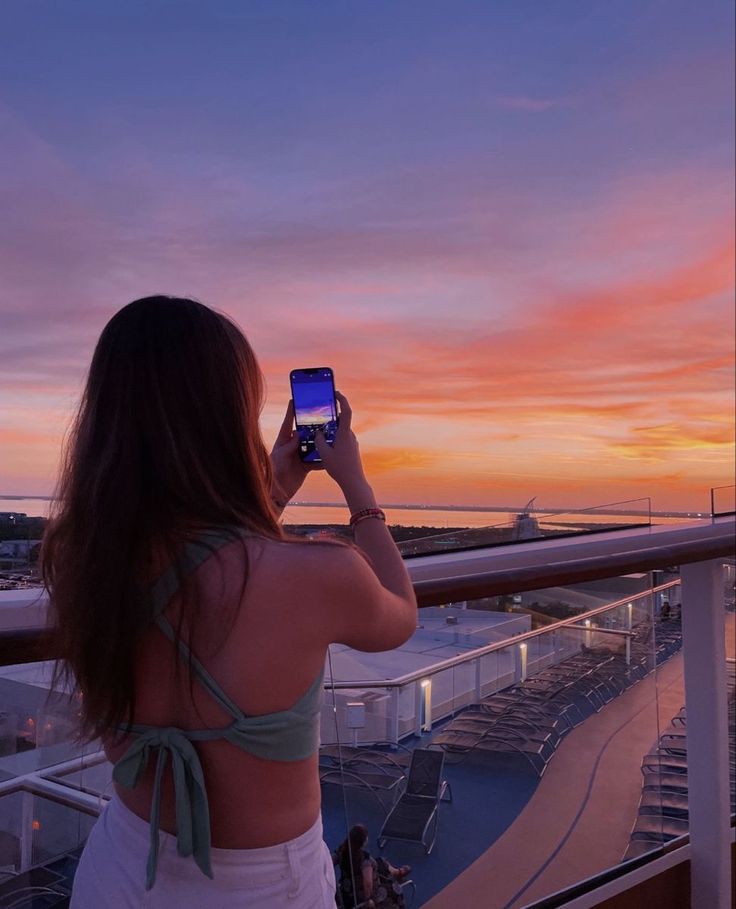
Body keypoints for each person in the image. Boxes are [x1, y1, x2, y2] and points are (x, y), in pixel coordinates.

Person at [42, 296, 417, 908]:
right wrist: (357, 487)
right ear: (229, 419)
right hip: (264, 890)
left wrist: (268, 489)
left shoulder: (82, 561)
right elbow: (399, 614)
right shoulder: (320, 574)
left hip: (121, 869)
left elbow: (198, 568)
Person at [335, 824, 410, 909]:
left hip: (347, 891)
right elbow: (368, 884)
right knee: (396, 889)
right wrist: (369, 900)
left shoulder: (342, 851)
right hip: (360, 896)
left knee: (380, 861)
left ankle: (396, 872)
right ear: (363, 842)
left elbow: (331, 860)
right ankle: (396, 873)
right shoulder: (364, 859)